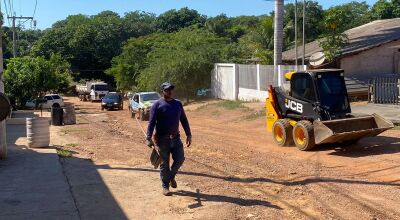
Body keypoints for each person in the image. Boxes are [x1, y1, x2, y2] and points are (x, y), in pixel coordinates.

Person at [146, 82, 192, 196]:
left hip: (176, 139)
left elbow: (184, 120)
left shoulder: (178, 104)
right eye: (167, 90)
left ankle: (171, 177)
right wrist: (148, 137)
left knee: (180, 159)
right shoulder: (157, 105)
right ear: (163, 91)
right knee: (164, 164)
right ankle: (165, 186)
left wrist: (188, 134)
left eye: (171, 89)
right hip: (162, 140)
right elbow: (151, 122)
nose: (170, 91)